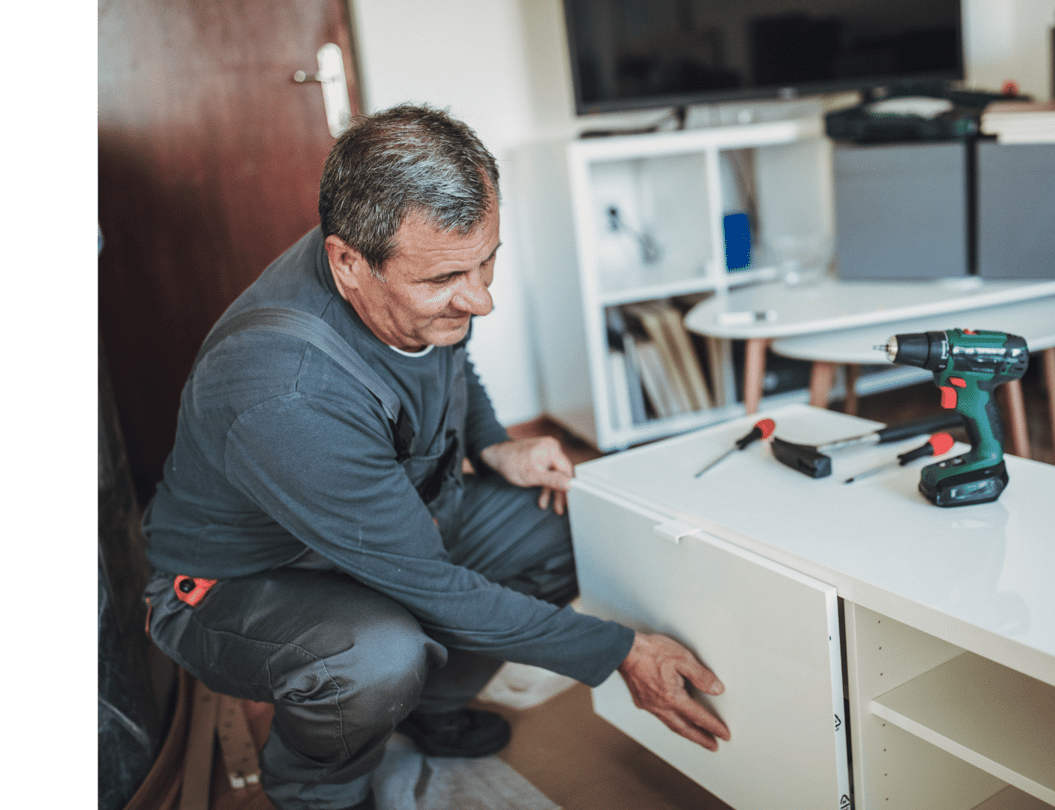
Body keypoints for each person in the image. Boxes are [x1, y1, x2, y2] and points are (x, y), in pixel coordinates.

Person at [141, 104, 730, 810]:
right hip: (236, 583)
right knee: (377, 656)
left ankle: (428, 706)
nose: (481, 300)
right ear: (347, 263)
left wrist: (493, 444)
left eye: (489, 261)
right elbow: (432, 587)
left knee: (567, 530)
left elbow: (448, 361)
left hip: (388, 515)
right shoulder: (284, 389)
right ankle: (315, 792)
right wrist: (619, 651)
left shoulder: (408, 258)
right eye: (449, 278)